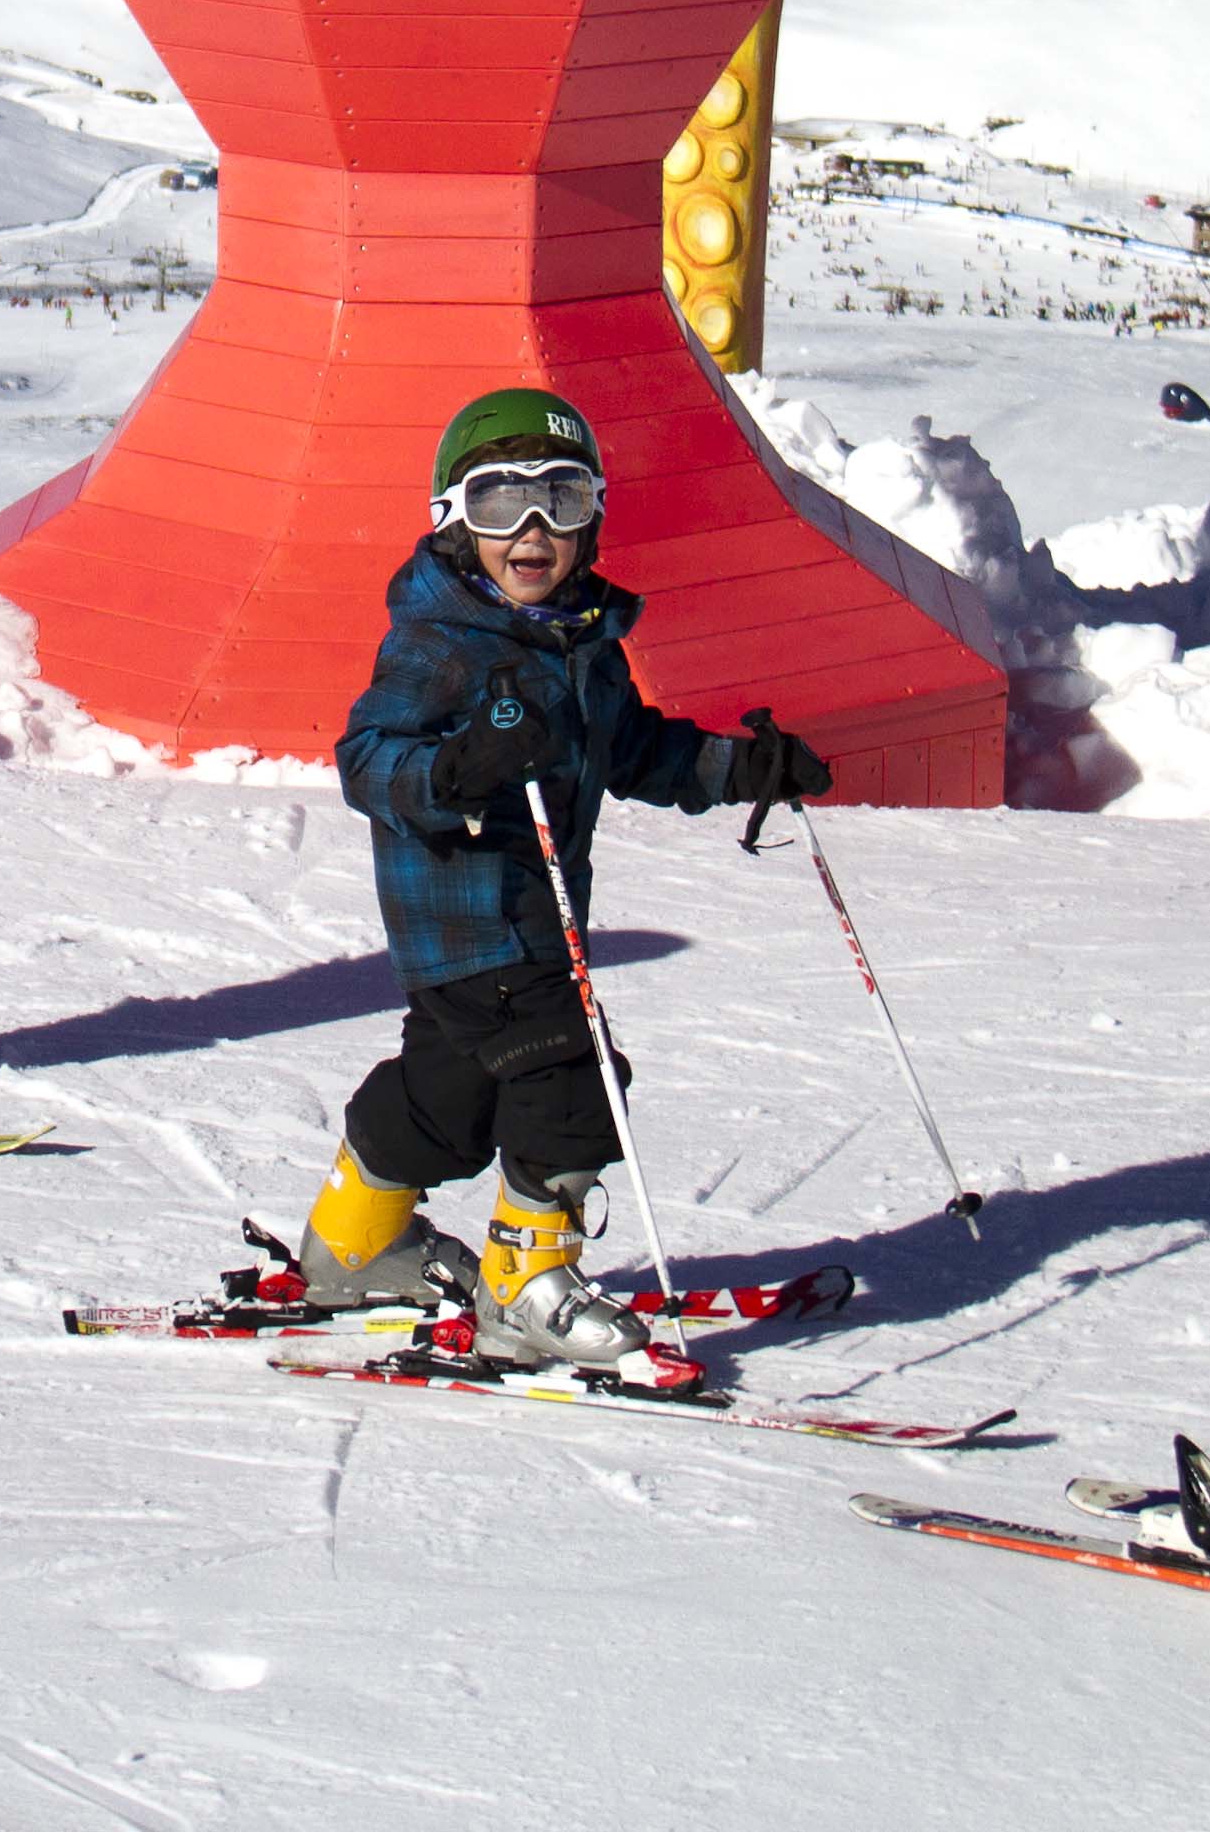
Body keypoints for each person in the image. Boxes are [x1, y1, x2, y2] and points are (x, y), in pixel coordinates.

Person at [296, 389, 830, 1365]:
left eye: (564, 498)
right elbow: (364, 758)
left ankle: (352, 1240)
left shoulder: (582, 643)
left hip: (532, 920)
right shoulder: (439, 642)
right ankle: (525, 1284)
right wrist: (451, 771)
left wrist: (739, 768)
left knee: (448, 1092)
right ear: (455, 519)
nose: (533, 530)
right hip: (470, 918)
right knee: (570, 1076)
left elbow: (629, 748)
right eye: (501, 502)